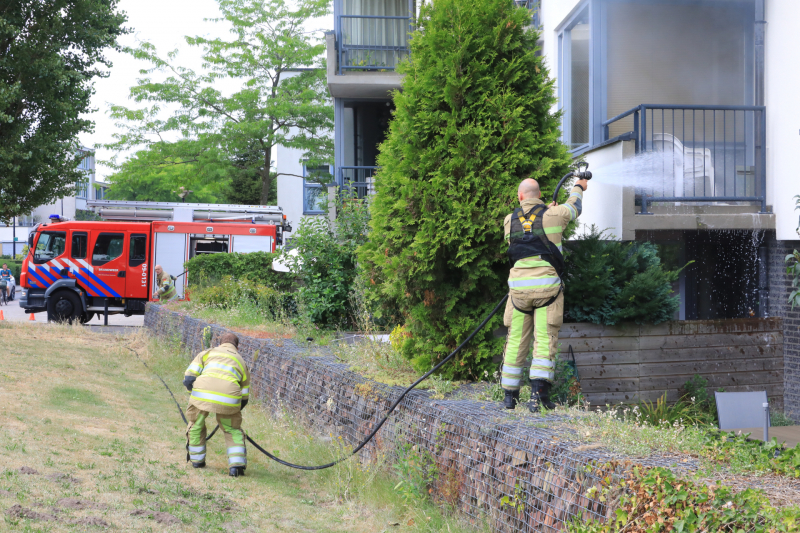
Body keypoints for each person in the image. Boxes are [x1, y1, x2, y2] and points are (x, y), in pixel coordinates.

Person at [501, 176, 588, 412]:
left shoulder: (509, 220)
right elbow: (574, 207)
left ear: (520, 196)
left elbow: (528, 232)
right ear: (539, 195)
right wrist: (579, 186)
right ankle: (537, 398)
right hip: (547, 291)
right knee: (544, 339)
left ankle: (509, 397)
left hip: (518, 292)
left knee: (515, 340)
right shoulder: (555, 214)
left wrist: (546, 213)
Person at [183, 332, 250, 477]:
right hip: (229, 398)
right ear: (237, 347)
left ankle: (197, 461)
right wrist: (231, 410)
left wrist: (194, 397)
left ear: (220, 344)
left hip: (202, 393)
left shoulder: (206, 353)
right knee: (232, 429)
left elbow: (188, 379)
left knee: (196, 424)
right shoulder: (241, 361)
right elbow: (245, 396)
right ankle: (236, 467)